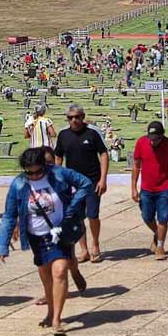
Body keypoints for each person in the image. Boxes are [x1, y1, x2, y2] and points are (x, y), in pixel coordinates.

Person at [0, 147, 92, 336]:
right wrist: (2, 245)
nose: (34, 175)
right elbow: (9, 215)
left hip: (59, 231)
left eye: (38, 171)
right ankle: (50, 312)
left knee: (60, 270)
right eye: (29, 172)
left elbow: (86, 184)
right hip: (36, 236)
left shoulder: (58, 174)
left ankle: (57, 319)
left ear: (45, 165)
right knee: (46, 277)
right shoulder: (18, 184)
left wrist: (72, 207)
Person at [54, 104, 109, 263]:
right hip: (72, 184)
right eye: (70, 117)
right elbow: (58, 157)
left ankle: (95, 245)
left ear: (82, 117)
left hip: (92, 182)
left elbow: (103, 154)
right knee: (77, 218)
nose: (74, 120)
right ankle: (84, 250)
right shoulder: (63, 135)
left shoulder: (92, 133)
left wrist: (103, 179)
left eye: (77, 117)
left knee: (93, 215)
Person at [132, 121, 168, 260]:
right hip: (147, 188)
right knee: (146, 216)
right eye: (150, 138)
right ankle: (157, 232)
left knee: (163, 218)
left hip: (164, 187)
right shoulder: (141, 143)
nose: (152, 142)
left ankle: (160, 245)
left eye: (156, 139)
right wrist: (133, 187)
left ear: (162, 136)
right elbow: (136, 166)